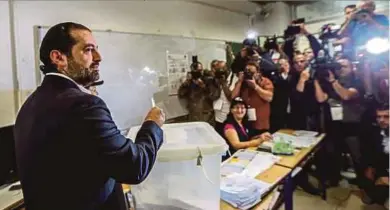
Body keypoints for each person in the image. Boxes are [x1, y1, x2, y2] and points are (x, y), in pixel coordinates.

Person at [14, 22, 165, 210]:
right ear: (58, 57)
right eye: (88, 50)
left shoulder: (32, 102)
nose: (98, 57)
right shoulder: (83, 105)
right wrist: (153, 124)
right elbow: (134, 167)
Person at [313, 57, 365, 186]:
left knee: (356, 155)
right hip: (335, 124)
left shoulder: (356, 81)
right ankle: (334, 178)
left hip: (352, 124)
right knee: (333, 152)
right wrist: (316, 81)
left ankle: (364, 183)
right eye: (339, 66)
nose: (341, 69)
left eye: (344, 66)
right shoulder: (332, 82)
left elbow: (346, 95)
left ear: (352, 67)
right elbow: (321, 99)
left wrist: (333, 81)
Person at [231, 61, 274, 134]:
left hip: (260, 122)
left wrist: (256, 87)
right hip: (245, 121)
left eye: (252, 72)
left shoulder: (265, 81)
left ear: (258, 73)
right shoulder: (242, 83)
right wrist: (240, 82)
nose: (249, 74)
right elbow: (233, 97)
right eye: (247, 72)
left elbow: (269, 98)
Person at [360, 103, 389, 207]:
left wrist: (386, 180)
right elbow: (374, 154)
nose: (381, 120)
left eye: (386, 116)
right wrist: (370, 167)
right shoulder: (378, 132)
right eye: (379, 117)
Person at [270, 58, 293, 132]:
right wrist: (284, 74)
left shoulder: (294, 75)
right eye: (280, 65)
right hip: (279, 106)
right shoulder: (274, 76)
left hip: (293, 106)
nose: (283, 66)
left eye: (285, 64)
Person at [210, 61, 232, 136]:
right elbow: (212, 96)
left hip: (229, 115)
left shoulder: (232, 79)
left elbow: (231, 98)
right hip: (218, 116)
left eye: (223, 68)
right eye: (218, 69)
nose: (221, 71)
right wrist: (217, 82)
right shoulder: (214, 81)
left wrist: (223, 83)